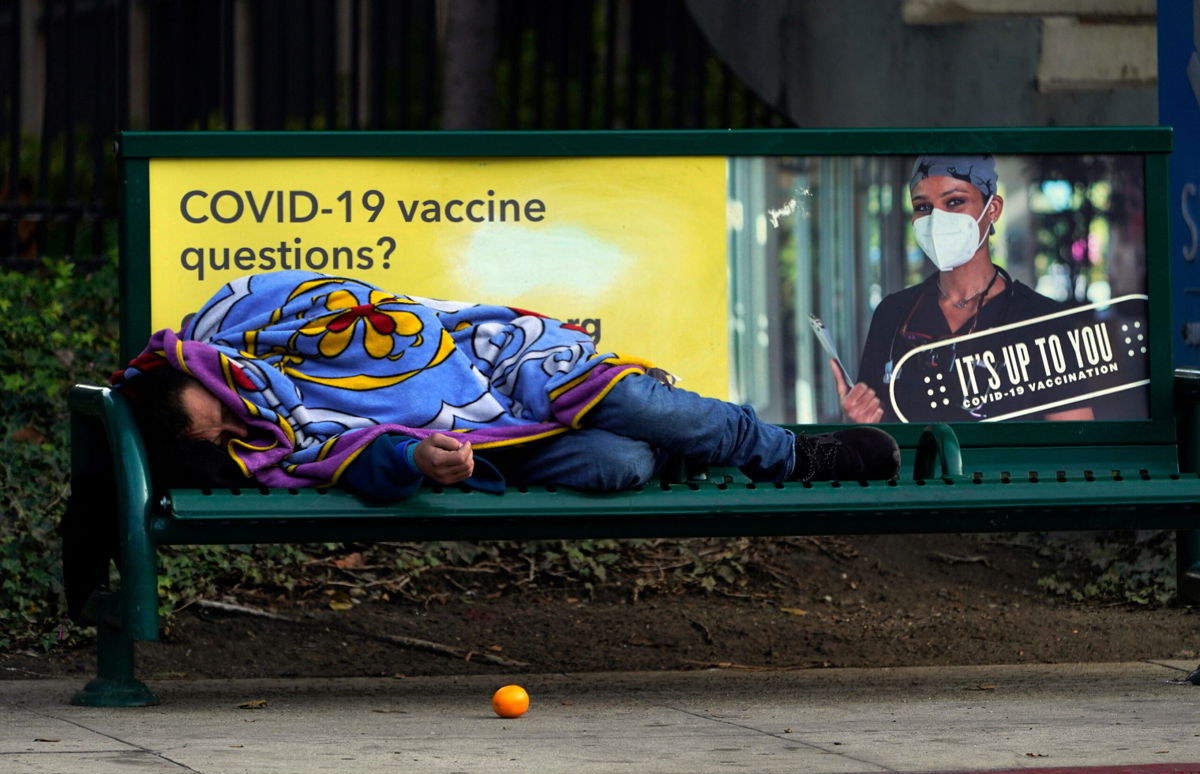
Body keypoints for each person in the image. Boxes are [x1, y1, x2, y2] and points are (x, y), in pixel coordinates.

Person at [115, 270, 900, 501]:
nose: (225, 425)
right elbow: (345, 451)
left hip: (492, 361)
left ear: (184, 376)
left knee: (622, 399)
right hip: (492, 443)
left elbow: (362, 311)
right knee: (618, 465)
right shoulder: (269, 439)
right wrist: (418, 464)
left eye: (202, 418)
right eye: (215, 440)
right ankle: (679, 442)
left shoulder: (240, 323)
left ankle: (791, 456)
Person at [834, 154, 1095, 424]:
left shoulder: (1043, 320)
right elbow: (872, 437)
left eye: (955, 201)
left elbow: (1075, 444)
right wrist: (856, 420)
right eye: (922, 206)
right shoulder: (893, 313)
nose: (937, 220)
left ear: (992, 209)